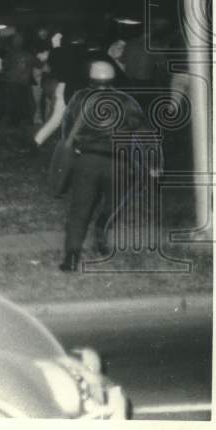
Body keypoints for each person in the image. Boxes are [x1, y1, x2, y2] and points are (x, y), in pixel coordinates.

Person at [50, 60, 152, 272]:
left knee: (79, 210)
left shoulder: (79, 98)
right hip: (119, 163)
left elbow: (68, 129)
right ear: (113, 78)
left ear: (90, 77)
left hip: (87, 161)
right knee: (113, 205)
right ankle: (101, 238)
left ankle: (71, 256)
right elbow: (143, 133)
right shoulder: (126, 101)